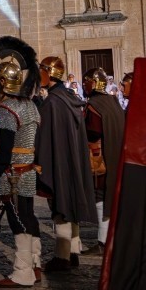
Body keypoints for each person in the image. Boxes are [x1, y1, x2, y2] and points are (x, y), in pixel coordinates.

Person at [0, 36, 42, 289]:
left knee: (17, 219)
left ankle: (22, 272)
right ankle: (35, 264)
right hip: (28, 167)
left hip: (13, 173)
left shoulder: (8, 109)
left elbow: (5, 150)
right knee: (28, 216)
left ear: (1, 82)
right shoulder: (30, 105)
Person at [35, 55, 97, 273]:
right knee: (69, 202)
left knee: (60, 205)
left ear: (49, 74)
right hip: (73, 160)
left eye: (41, 71)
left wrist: (39, 162)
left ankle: (62, 256)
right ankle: (73, 250)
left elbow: (44, 137)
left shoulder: (53, 102)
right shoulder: (69, 97)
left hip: (59, 159)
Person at [81, 68, 126, 255]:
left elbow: (93, 131)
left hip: (99, 158)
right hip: (114, 154)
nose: (84, 85)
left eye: (86, 82)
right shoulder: (113, 101)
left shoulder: (94, 105)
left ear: (92, 83)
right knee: (109, 196)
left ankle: (102, 241)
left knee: (100, 196)